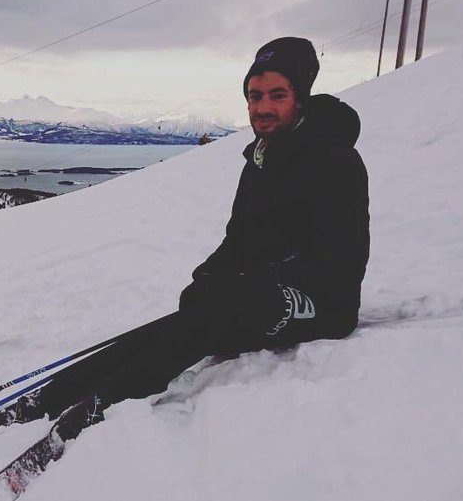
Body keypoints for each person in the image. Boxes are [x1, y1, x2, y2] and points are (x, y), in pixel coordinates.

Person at [27, 37, 370, 427]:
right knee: (189, 312)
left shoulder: (335, 160)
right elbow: (239, 238)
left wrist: (254, 283)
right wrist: (209, 276)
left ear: (300, 97)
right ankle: (55, 394)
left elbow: (344, 263)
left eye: (277, 95)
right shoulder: (261, 158)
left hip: (325, 304)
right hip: (263, 291)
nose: (263, 108)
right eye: (255, 96)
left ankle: (102, 404)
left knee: (223, 309)